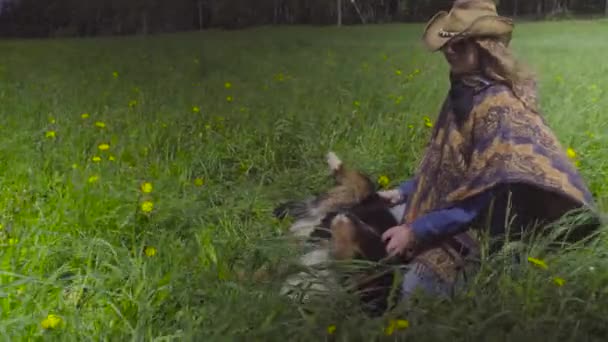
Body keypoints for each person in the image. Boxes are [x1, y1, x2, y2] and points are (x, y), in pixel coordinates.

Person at [377, 0, 602, 301]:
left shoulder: (502, 109)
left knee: (411, 293)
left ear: (485, 46)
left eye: (459, 45)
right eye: (448, 43)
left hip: (489, 238)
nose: (448, 51)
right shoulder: (464, 91)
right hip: (454, 215)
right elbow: (445, 168)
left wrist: (416, 231)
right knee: (379, 216)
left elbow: (478, 201)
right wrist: (404, 192)